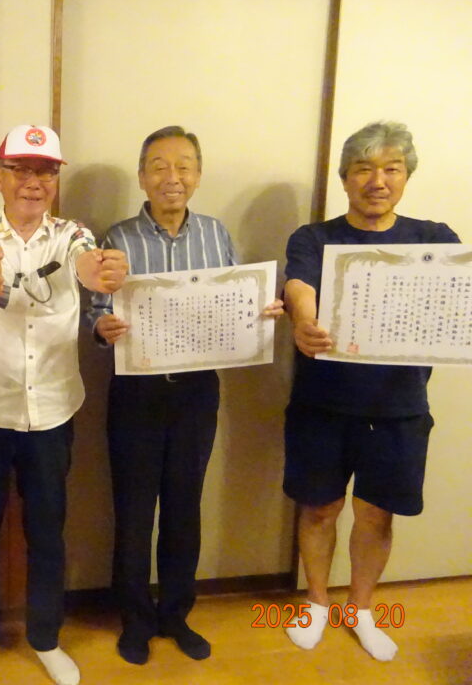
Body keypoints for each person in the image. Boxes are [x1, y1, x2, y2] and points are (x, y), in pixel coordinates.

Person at [86, 125, 283, 666]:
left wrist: (261, 312)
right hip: (136, 392)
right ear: (142, 176)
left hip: (197, 393)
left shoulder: (216, 234)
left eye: (183, 165)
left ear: (197, 174)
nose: (171, 177)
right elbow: (95, 309)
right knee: (133, 512)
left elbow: (236, 302)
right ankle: (134, 619)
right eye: (159, 166)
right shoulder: (116, 238)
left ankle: (176, 613)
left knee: (183, 506)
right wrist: (102, 327)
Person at [0, 124, 128, 685]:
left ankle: (45, 638)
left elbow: (87, 263)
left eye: (45, 171)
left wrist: (100, 273)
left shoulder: (73, 234)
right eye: (20, 169)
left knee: (48, 531)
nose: (33, 181)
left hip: (52, 407)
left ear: (55, 180)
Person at [281, 121, 459, 661]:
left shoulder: (434, 239)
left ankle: (360, 609)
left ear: (405, 177)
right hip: (322, 402)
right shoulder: (314, 238)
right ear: (344, 179)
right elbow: (298, 285)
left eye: (390, 169)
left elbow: (458, 295)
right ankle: (316, 602)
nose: (377, 181)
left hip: (399, 405)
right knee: (319, 509)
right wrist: (304, 322)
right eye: (363, 169)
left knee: (377, 514)